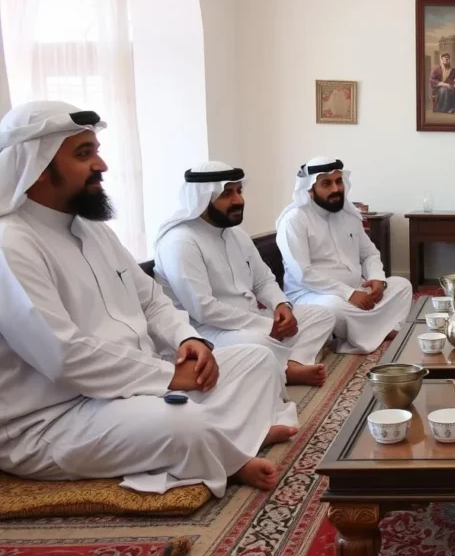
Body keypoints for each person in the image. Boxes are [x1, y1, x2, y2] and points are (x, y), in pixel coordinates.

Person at [0, 101, 299, 495]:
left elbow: (153, 299)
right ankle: (228, 449)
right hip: (57, 415)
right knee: (181, 422)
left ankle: (218, 441)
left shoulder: (94, 231)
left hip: (140, 382)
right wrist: (168, 376)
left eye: (97, 151)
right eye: (84, 154)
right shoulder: (12, 244)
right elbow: (63, 354)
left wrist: (187, 341)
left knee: (257, 359)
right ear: (36, 168)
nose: (102, 165)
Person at [153, 161, 335, 387]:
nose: (239, 200)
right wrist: (266, 326)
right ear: (203, 197)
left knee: (322, 314)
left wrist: (282, 306)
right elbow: (203, 308)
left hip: (251, 318)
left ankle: (292, 364)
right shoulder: (180, 241)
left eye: (239, 191)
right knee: (259, 343)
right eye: (227, 194)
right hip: (205, 331)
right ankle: (285, 367)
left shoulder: (236, 234)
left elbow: (263, 280)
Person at [276, 157, 412, 353]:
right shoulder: (294, 220)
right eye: (326, 183)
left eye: (339, 181)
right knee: (331, 309)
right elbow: (303, 273)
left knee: (402, 285)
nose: (336, 189)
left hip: (356, 289)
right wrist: (348, 294)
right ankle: (377, 331)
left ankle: (368, 332)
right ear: (310, 189)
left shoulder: (349, 215)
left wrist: (377, 279)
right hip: (314, 295)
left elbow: (369, 254)